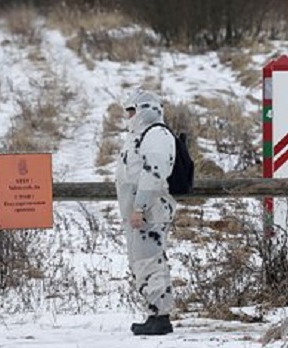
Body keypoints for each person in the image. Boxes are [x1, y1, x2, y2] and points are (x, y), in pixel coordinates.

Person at [115, 89, 176, 335]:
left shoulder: (156, 135)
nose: (130, 116)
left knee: (151, 261)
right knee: (143, 261)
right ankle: (155, 312)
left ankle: (160, 316)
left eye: (133, 111)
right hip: (140, 212)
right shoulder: (139, 136)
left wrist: (139, 207)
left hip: (150, 211)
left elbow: (153, 174)